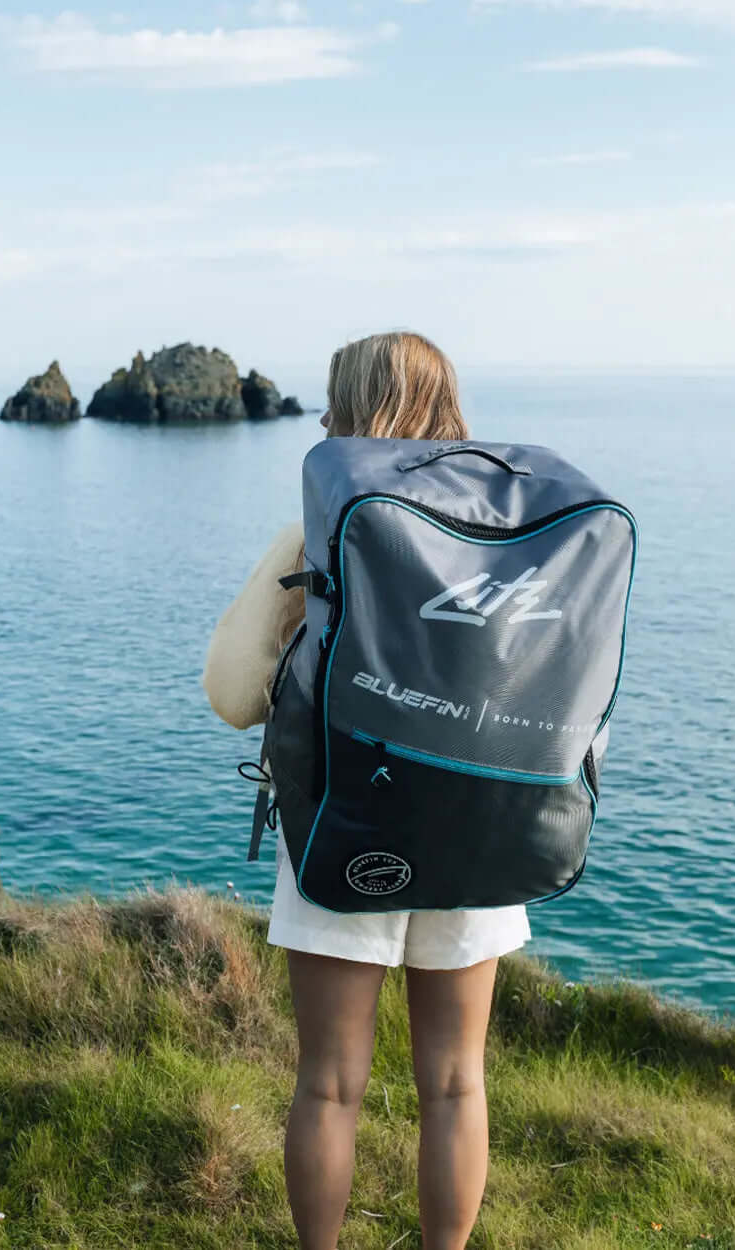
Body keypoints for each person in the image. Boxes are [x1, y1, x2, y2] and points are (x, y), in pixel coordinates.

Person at [202, 331, 532, 1250]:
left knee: (331, 1083)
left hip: (344, 827)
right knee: (458, 1081)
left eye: (330, 402)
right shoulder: (514, 530)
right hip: (483, 835)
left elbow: (232, 696)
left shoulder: (319, 528)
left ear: (351, 413)